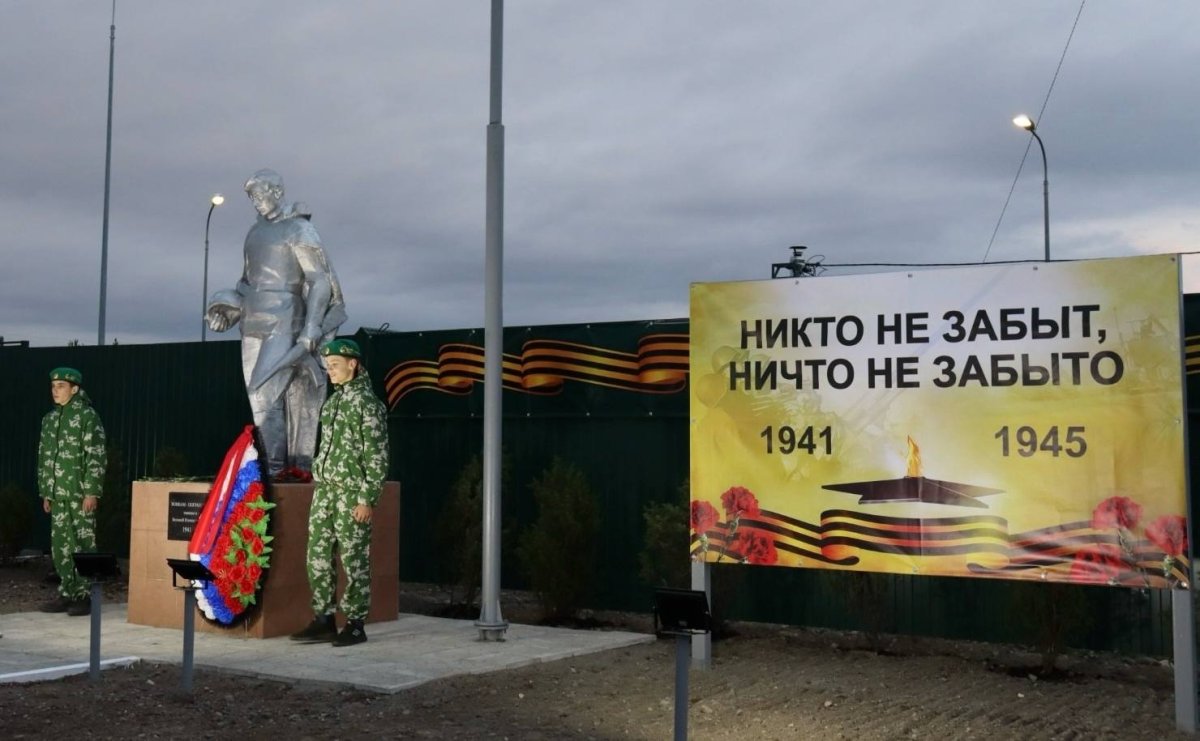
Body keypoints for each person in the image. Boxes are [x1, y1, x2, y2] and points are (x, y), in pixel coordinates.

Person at [205, 168, 347, 478]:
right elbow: (246, 284)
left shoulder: (299, 229)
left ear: (277, 193)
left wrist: (312, 326)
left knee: (263, 395)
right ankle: (277, 473)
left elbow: (319, 280)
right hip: (252, 324)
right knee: (259, 402)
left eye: (259, 194)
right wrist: (226, 313)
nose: (256, 202)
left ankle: (275, 475)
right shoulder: (254, 233)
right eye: (252, 197)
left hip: (286, 319)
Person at [290, 339, 388, 647]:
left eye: (334, 365)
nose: (330, 371)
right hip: (325, 492)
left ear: (352, 364)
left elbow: (377, 455)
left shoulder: (368, 404)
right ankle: (324, 619)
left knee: (354, 559)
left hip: (351, 494)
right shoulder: (333, 403)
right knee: (317, 556)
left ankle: (356, 624)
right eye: (328, 366)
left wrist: (367, 499)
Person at [37, 367, 106, 616]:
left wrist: (92, 492)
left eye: (61, 386)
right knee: (60, 547)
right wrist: (46, 492)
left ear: (74, 389)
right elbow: (44, 457)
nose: (55, 391)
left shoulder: (88, 417)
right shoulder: (49, 420)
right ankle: (67, 592)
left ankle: (85, 595)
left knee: (83, 544)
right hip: (58, 495)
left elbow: (96, 455)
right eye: (53, 386)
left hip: (79, 494)